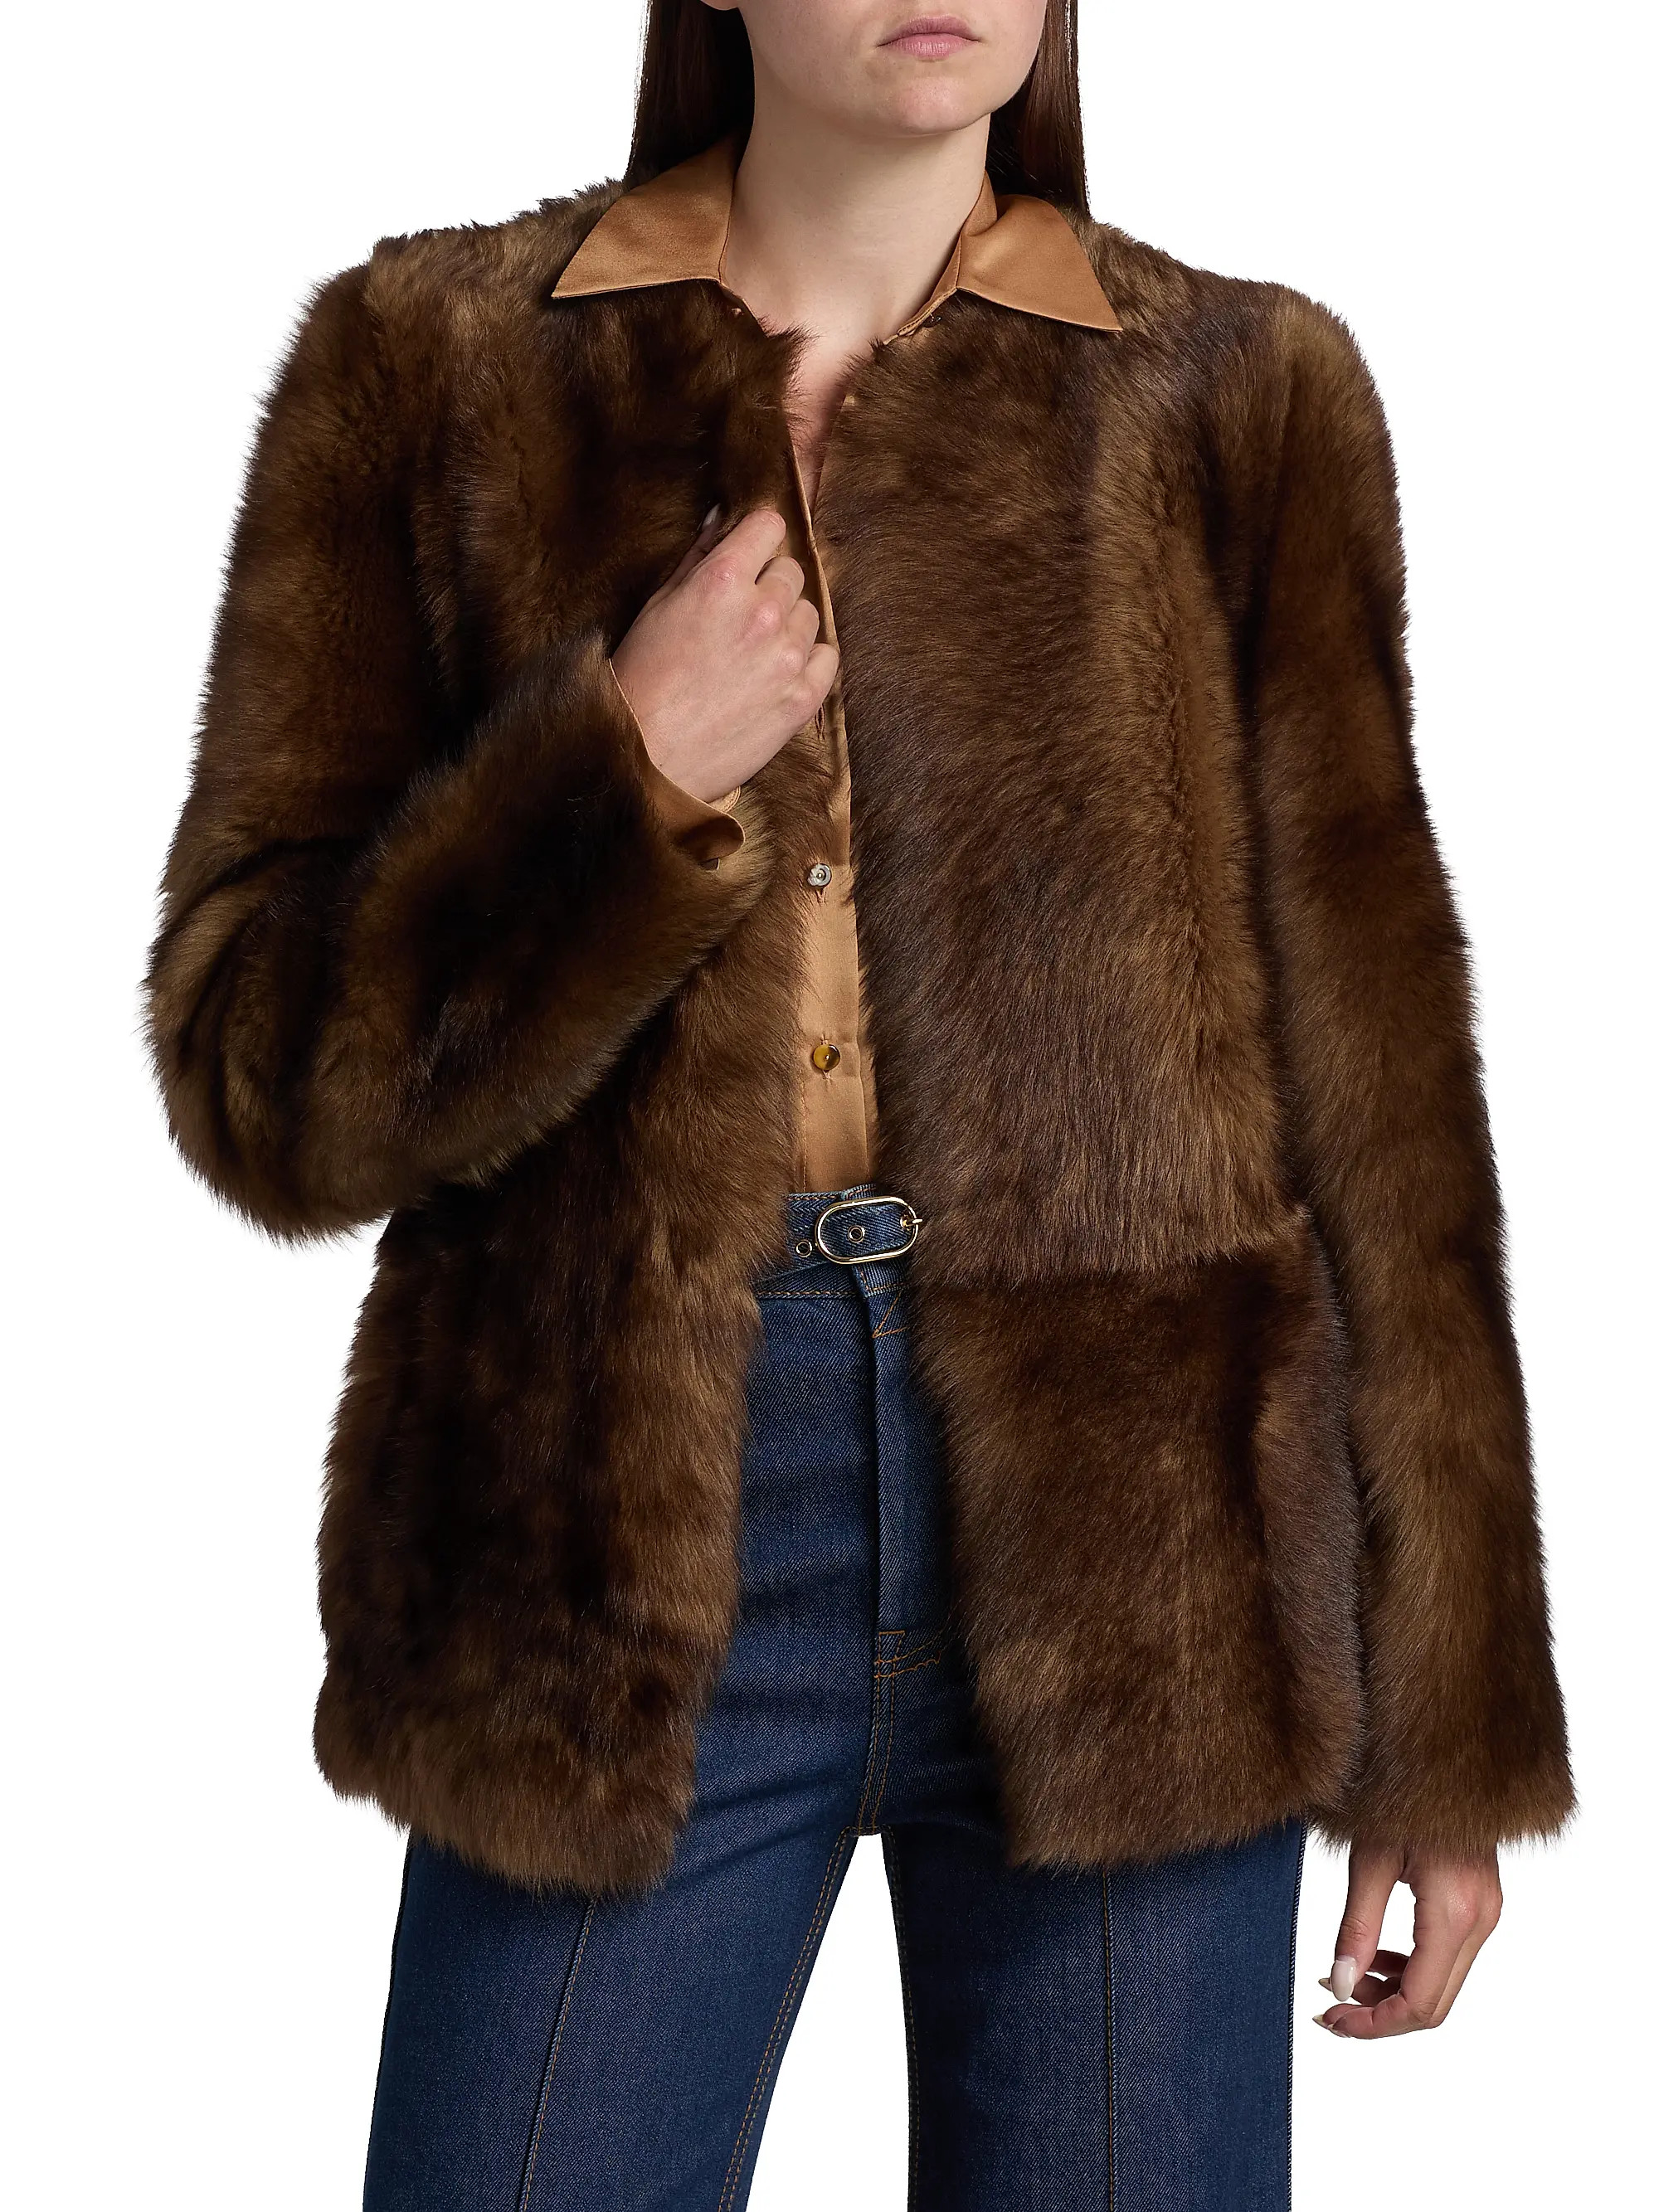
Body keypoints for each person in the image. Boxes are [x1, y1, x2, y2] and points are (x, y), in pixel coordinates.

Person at [144, 2, 1573, 2205]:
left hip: (1149, 1542)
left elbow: (1386, 1093)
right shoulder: (431, 365)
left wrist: (1452, 1715)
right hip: (614, 1523)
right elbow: (260, 1078)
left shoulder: (1241, 393)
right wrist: (617, 772)